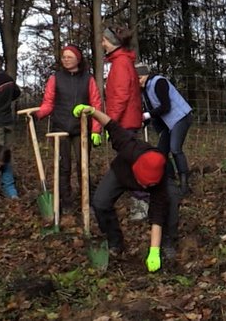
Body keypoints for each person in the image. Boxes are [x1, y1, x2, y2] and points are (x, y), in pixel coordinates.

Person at [72, 104, 169, 273]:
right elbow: (111, 124)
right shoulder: (129, 148)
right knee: (100, 202)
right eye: (144, 184)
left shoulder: (160, 177)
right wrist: (92, 112)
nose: (145, 188)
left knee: (170, 202)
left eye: (149, 186)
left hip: (150, 179)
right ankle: (115, 242)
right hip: (120, 174)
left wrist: (153, 251)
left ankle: (166, 244)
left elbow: (157, 215)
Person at [34, 45, 104, 213]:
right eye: (64, 57)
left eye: (69, 56)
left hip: (82, 129)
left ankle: (88, 201)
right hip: (61, 129)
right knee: (63, 167)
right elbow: (48, 102)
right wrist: (37, 114)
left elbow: (96, 104)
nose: (65, 59)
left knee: (83, 165)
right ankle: (65, 202)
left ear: (78, 59)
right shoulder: (55, 78)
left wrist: (96, 130)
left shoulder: (88, 79)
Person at [102, 26, 147, 220]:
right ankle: (139, 200)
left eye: (104, 40)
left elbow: (120, 96)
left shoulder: (120, 64)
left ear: (111, 42)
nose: (102, 43)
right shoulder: (122, 61)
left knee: (131, 163)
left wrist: (110, 122)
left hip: (124, 122)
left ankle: (142, 201)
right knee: (130, 162)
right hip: (126, 120)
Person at [136, 63, 193, 194]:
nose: (137, 81)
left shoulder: (159, 82)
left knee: (175, 148)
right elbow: (151, 109)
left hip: (181, 117)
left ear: (144, 76)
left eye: (138, 78)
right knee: (161, 152)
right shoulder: (144, 90)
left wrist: (146, 116)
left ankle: (184, 185)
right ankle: (170, 182)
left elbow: (165, 106)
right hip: (169, 123)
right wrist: (143, 121)